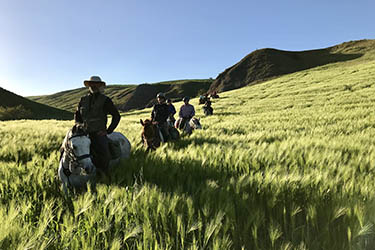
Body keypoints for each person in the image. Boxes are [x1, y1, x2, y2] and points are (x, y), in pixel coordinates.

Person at [74, 76, 120, 173]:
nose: (94, 86)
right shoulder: (83, 99)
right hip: (83, 133)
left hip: (98, 133)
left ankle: (104, 174)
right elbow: (77, 115)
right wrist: (78, 124)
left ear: (99, 86)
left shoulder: (105, 100)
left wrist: (108, 131)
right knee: (68, 149)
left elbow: (116, 116)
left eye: (96, 84)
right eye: (92, 84)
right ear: (89, 85)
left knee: (104, 154)